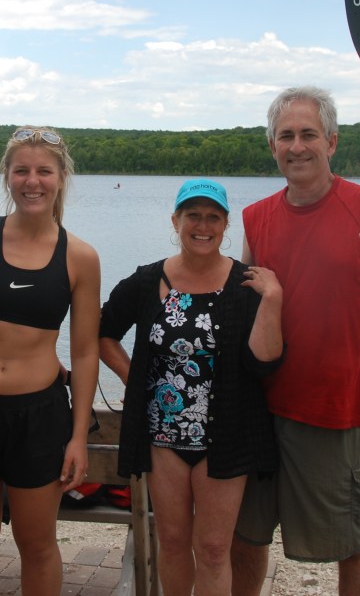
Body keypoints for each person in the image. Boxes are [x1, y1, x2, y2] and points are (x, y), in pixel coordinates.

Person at [231, 86, 360, 596]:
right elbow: (243, 313)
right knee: (244, 538)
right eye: (286, 136)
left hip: (334, 412)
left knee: (351, 543)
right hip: (257, 408)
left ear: (332, 142)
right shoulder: (256, 217)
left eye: (309, 134)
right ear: (272, 147)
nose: (297, 146)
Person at [100, 178, 284, 596]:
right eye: (193, 216)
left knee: (215, 549)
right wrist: (134, 380)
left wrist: (273, 299)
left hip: (226, 436)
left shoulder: (245, 285)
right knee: (173, 540)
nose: (203, 226)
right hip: (163, 437)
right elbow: (103, 331)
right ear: (176, 221)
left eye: (213, 217)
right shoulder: (148, 281)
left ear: (225, 224)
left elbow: (265, 362)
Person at [0, 126, 100, 596]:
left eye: (44, 171)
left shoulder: (80, 257)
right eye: (22, 171)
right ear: (6, 176)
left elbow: (85, 351)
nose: (33, 181)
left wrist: (78, 436)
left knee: (37, 543)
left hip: (39, 416)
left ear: (61, 178)